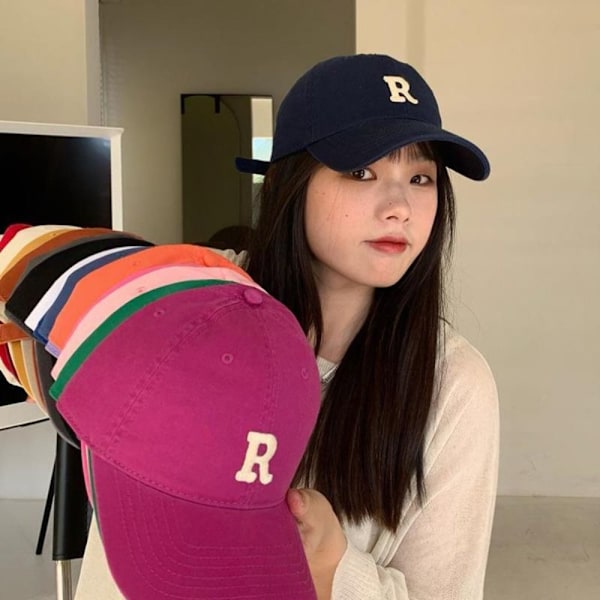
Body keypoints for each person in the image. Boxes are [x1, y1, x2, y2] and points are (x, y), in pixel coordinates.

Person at [74, 53, 499, 600]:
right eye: (361, 172)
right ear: (286, 183)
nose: (400, 207)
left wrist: (334, 568)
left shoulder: (454, 385)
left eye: (420, 178)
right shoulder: (192, 314)